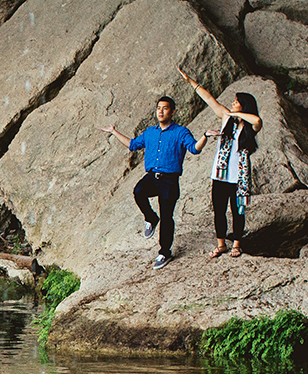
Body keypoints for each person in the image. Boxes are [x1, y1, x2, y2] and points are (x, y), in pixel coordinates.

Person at [100, 96, 204, 270]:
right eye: (158, 108)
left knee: (167, 217)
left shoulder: (180, 132)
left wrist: (205, 137)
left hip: (169, 180)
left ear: (173, 111)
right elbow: (132, 145)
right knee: (138, 191)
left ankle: (164, 252)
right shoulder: (150, 132)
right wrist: (114, 131)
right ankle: (150, 218)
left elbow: (194, 149)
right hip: (152, 177)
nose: (161, 111)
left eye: (165, 108)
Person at [180, 69, 262, 259]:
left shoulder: (250, 127)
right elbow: (209, 99)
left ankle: (237, 244)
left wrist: (239, 114)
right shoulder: (227, 118)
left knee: (238, 210)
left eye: (236, 101)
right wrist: (191, 81)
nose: (232, 104)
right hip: (220, 174)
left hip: (239, 177)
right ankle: (221, 244)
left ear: (244, 105)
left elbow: (257, 119)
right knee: (219, 210)